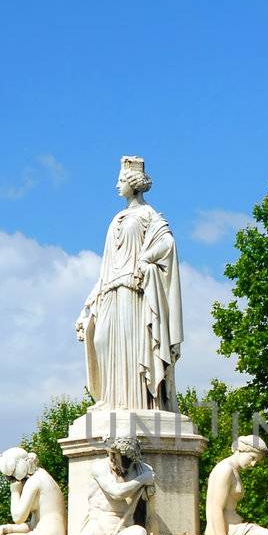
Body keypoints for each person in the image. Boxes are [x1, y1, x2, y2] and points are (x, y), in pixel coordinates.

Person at [76, 154, 183, 411]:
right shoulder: (115, 218)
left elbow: (167, 244)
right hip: (110, 289)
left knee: (132, 346)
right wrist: (88, 304)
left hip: (133, 292)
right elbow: (105, 267)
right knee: (101, 340)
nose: (116, 185)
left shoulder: (149, 215)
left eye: (120, 180)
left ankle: (137, 402)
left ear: (132, 183)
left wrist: (146, 258)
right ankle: (110, 400)